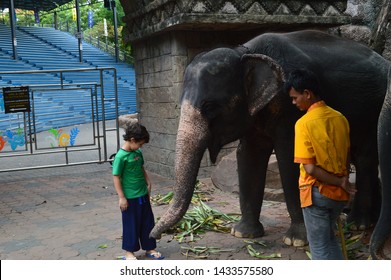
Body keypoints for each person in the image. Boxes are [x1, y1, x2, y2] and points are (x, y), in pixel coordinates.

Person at [285, 69, 356, 260]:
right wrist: (342, 180)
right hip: (338, 197)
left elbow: (310, 168)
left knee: (319, 249)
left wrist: (339, 182)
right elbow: (347, 155)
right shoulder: (340, 118)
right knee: (330, 241)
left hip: (316, 194)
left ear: (307, 94)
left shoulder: (304, 124)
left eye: (295, 97)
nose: (293, 102)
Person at [112, 122, 164, 260]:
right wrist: (121, 197)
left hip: (143, 194)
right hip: (129, 198)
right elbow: (116, 177)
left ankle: (150, 248)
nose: (141, 147)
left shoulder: (137, 153)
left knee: (148, 222)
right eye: (140, 144)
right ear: (132, 140)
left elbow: (141, 168)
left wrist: (148, 182)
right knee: (131, 224)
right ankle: (129, 252)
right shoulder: (120, 157)